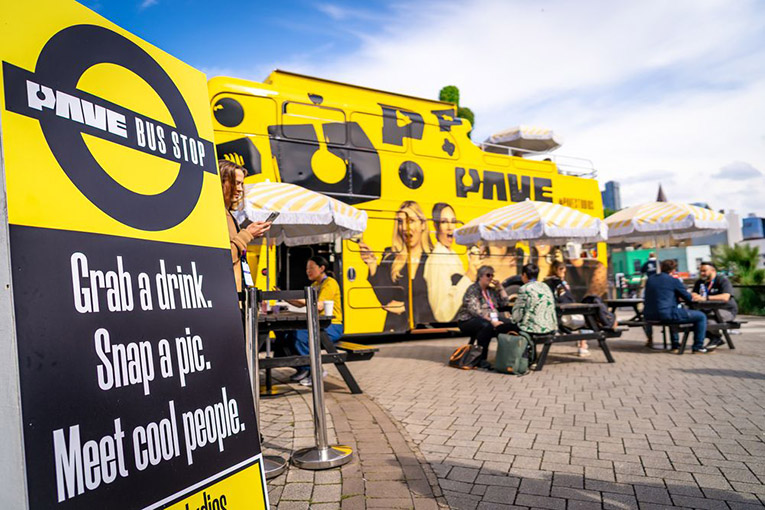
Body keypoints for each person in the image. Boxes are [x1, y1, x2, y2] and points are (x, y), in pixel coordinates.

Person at [359, 201, 435, 332]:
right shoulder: (391, 257)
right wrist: (372, 264)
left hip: (426, 325)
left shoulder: (434, 257)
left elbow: (441, 300)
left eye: (410, 220)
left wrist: (407, 306)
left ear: (422, 224)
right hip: (395, 327)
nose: (405, 227)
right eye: (400, 222)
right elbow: (386, 299)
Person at [281, 256, 344, 384]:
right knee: (288, 335)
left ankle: (316, 371)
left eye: (311, 268)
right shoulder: (315, 284)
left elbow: (319, 305)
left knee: (301, 336)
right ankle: (304, 369)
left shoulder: (329, 283)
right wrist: (285, 297)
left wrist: (292, 298)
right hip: (320, 324)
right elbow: (302, 304)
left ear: (322, 268)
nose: (308, 271)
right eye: (306, 268)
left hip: (333, 325)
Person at [219, 159, 270, 302]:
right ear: (220, 182)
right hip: (226, 301)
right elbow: (221, 259)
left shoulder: (228, 215)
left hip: (235, 299)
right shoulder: (216, 214)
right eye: (236, 183)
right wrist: (247, 234)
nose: (240, 189)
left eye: (241, 184)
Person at [457, 265, 517, 368]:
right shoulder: (473, 290)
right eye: (488, 275)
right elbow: (474, 310)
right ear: (480, 276)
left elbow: (504, 303)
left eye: (492, 275)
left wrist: (500, 288)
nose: (491, 278)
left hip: (490, 318)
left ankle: (508, 357)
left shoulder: (490, 290)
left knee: (509, 324)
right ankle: (481, 359)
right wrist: (492, 321)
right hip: (468, 320)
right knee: (486, 326)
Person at [644, 259, 708, 352]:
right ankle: (698, 347)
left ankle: (675, 345)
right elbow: (688, 298)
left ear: (661, 268)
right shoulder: (673, 280)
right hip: (665, 314)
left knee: (673, 312)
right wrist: (694, 296)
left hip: (649, 315)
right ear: (673, 270)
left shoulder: (650, 279)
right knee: (701, 316)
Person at [423, 203, 473, 322]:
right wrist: (469, 275)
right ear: (436, 226)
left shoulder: (453, 254)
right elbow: (442, 314)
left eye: (453, 221)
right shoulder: (437, 259)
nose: (450, 227)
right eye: (444, 222)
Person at [545, 260, 590, 356]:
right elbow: (566, 300)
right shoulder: (559, 284)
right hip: (561, 318)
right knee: (587, 317)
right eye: (563, 271)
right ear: (558, 270)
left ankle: (581, 343)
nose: (564, 274)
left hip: (550, 317)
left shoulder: (545, 282)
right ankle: (583, 346)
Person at [691, 261, 738, 350]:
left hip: (726, 310)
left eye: (704, 271)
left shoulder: (722, 280)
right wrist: (694, 295)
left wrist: (706, 298)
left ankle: (715, 338)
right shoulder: (700, 282)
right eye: (700, 271)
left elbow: (725, 297)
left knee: (706, 319)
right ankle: (715, 338)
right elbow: (694, 294)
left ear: (713, 270)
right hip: (708, 311)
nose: (702, 273)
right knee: (697, 318)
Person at [512, 263, 558, 336]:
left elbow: (517, 316)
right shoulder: (545, 286)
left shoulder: (525, 288)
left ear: (524, 275)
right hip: (549, 329)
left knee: (500, 328)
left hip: (532, 330)